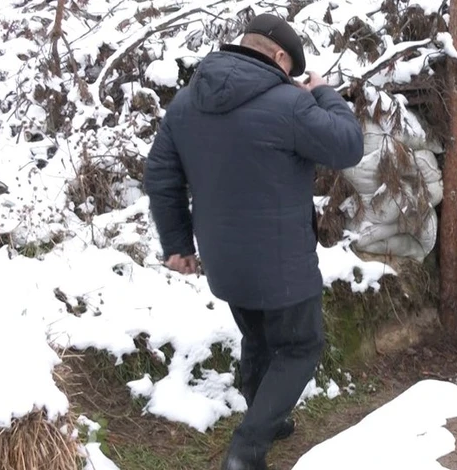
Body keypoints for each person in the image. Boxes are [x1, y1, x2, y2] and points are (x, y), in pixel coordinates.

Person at [143, 13, 364, 470]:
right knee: (302, 346)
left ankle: (269, 417)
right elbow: (347, 145)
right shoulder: (290, 104)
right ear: (281, 58)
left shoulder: (185, 104)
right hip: (282, 266)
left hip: (224, 264)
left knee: (259, 337)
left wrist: (178, 244)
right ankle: (247, 448)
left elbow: (161, 177)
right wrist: (322, 92)